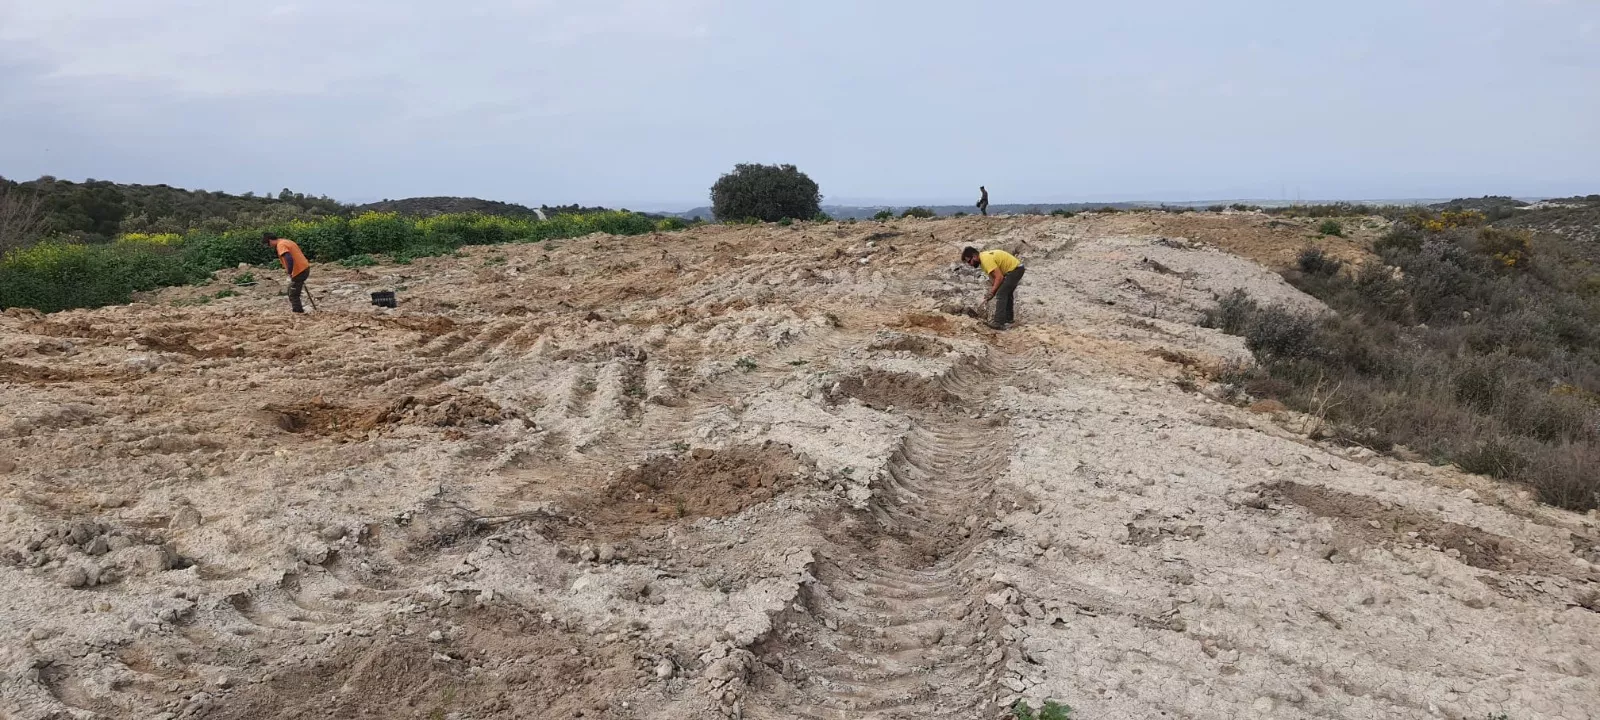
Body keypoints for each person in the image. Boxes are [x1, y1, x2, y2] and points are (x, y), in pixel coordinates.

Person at [962, 246, 1025, 329]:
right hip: (1016, 269)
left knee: (1001, 294)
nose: (970, 264)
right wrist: (991, 293)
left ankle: (998, 322)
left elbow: (999, 277)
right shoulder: (983, 261)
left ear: (974, 256)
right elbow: (994, 279)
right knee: (1006, 292)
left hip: (1015, 270)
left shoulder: (986, 260)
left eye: (969, 261)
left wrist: (992, 292)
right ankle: (1008, 319)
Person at [262, 232, 311, 313]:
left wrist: (289, 272)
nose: (269, 246)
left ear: (270, 241)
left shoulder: (281, 245)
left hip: (299, 270)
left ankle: (298, 312)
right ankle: (298, 310)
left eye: (268, 244)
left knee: (293, 294)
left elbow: (289, 258)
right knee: (291, 290)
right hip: (303, 267)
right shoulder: (286, 241)